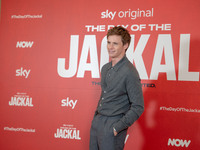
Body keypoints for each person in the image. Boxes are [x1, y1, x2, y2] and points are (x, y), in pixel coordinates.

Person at [89, 26, 144, 150]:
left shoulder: (130, 72)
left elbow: (138, 106)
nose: (110, 47)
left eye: (115, 43)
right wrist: (96, 119)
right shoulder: (105, 68)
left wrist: (117, 127)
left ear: (125, 45)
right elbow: (104, 95)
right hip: (98, 122)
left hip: (112, 125)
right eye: (108, 42)